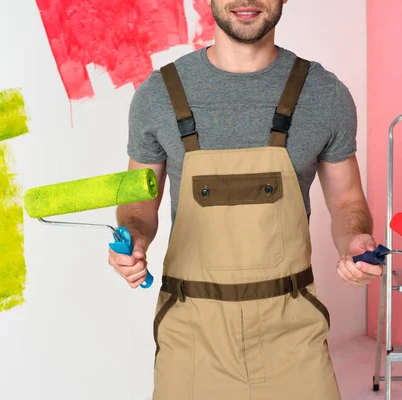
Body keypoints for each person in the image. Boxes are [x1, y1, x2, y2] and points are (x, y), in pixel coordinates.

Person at [108, 0, 382, 398]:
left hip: (291, 330)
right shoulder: (157, 96)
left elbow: (347, 203)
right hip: (191, 335)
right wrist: (132, 237)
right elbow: (138, 202)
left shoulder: (325, 95)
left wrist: (357, 239)